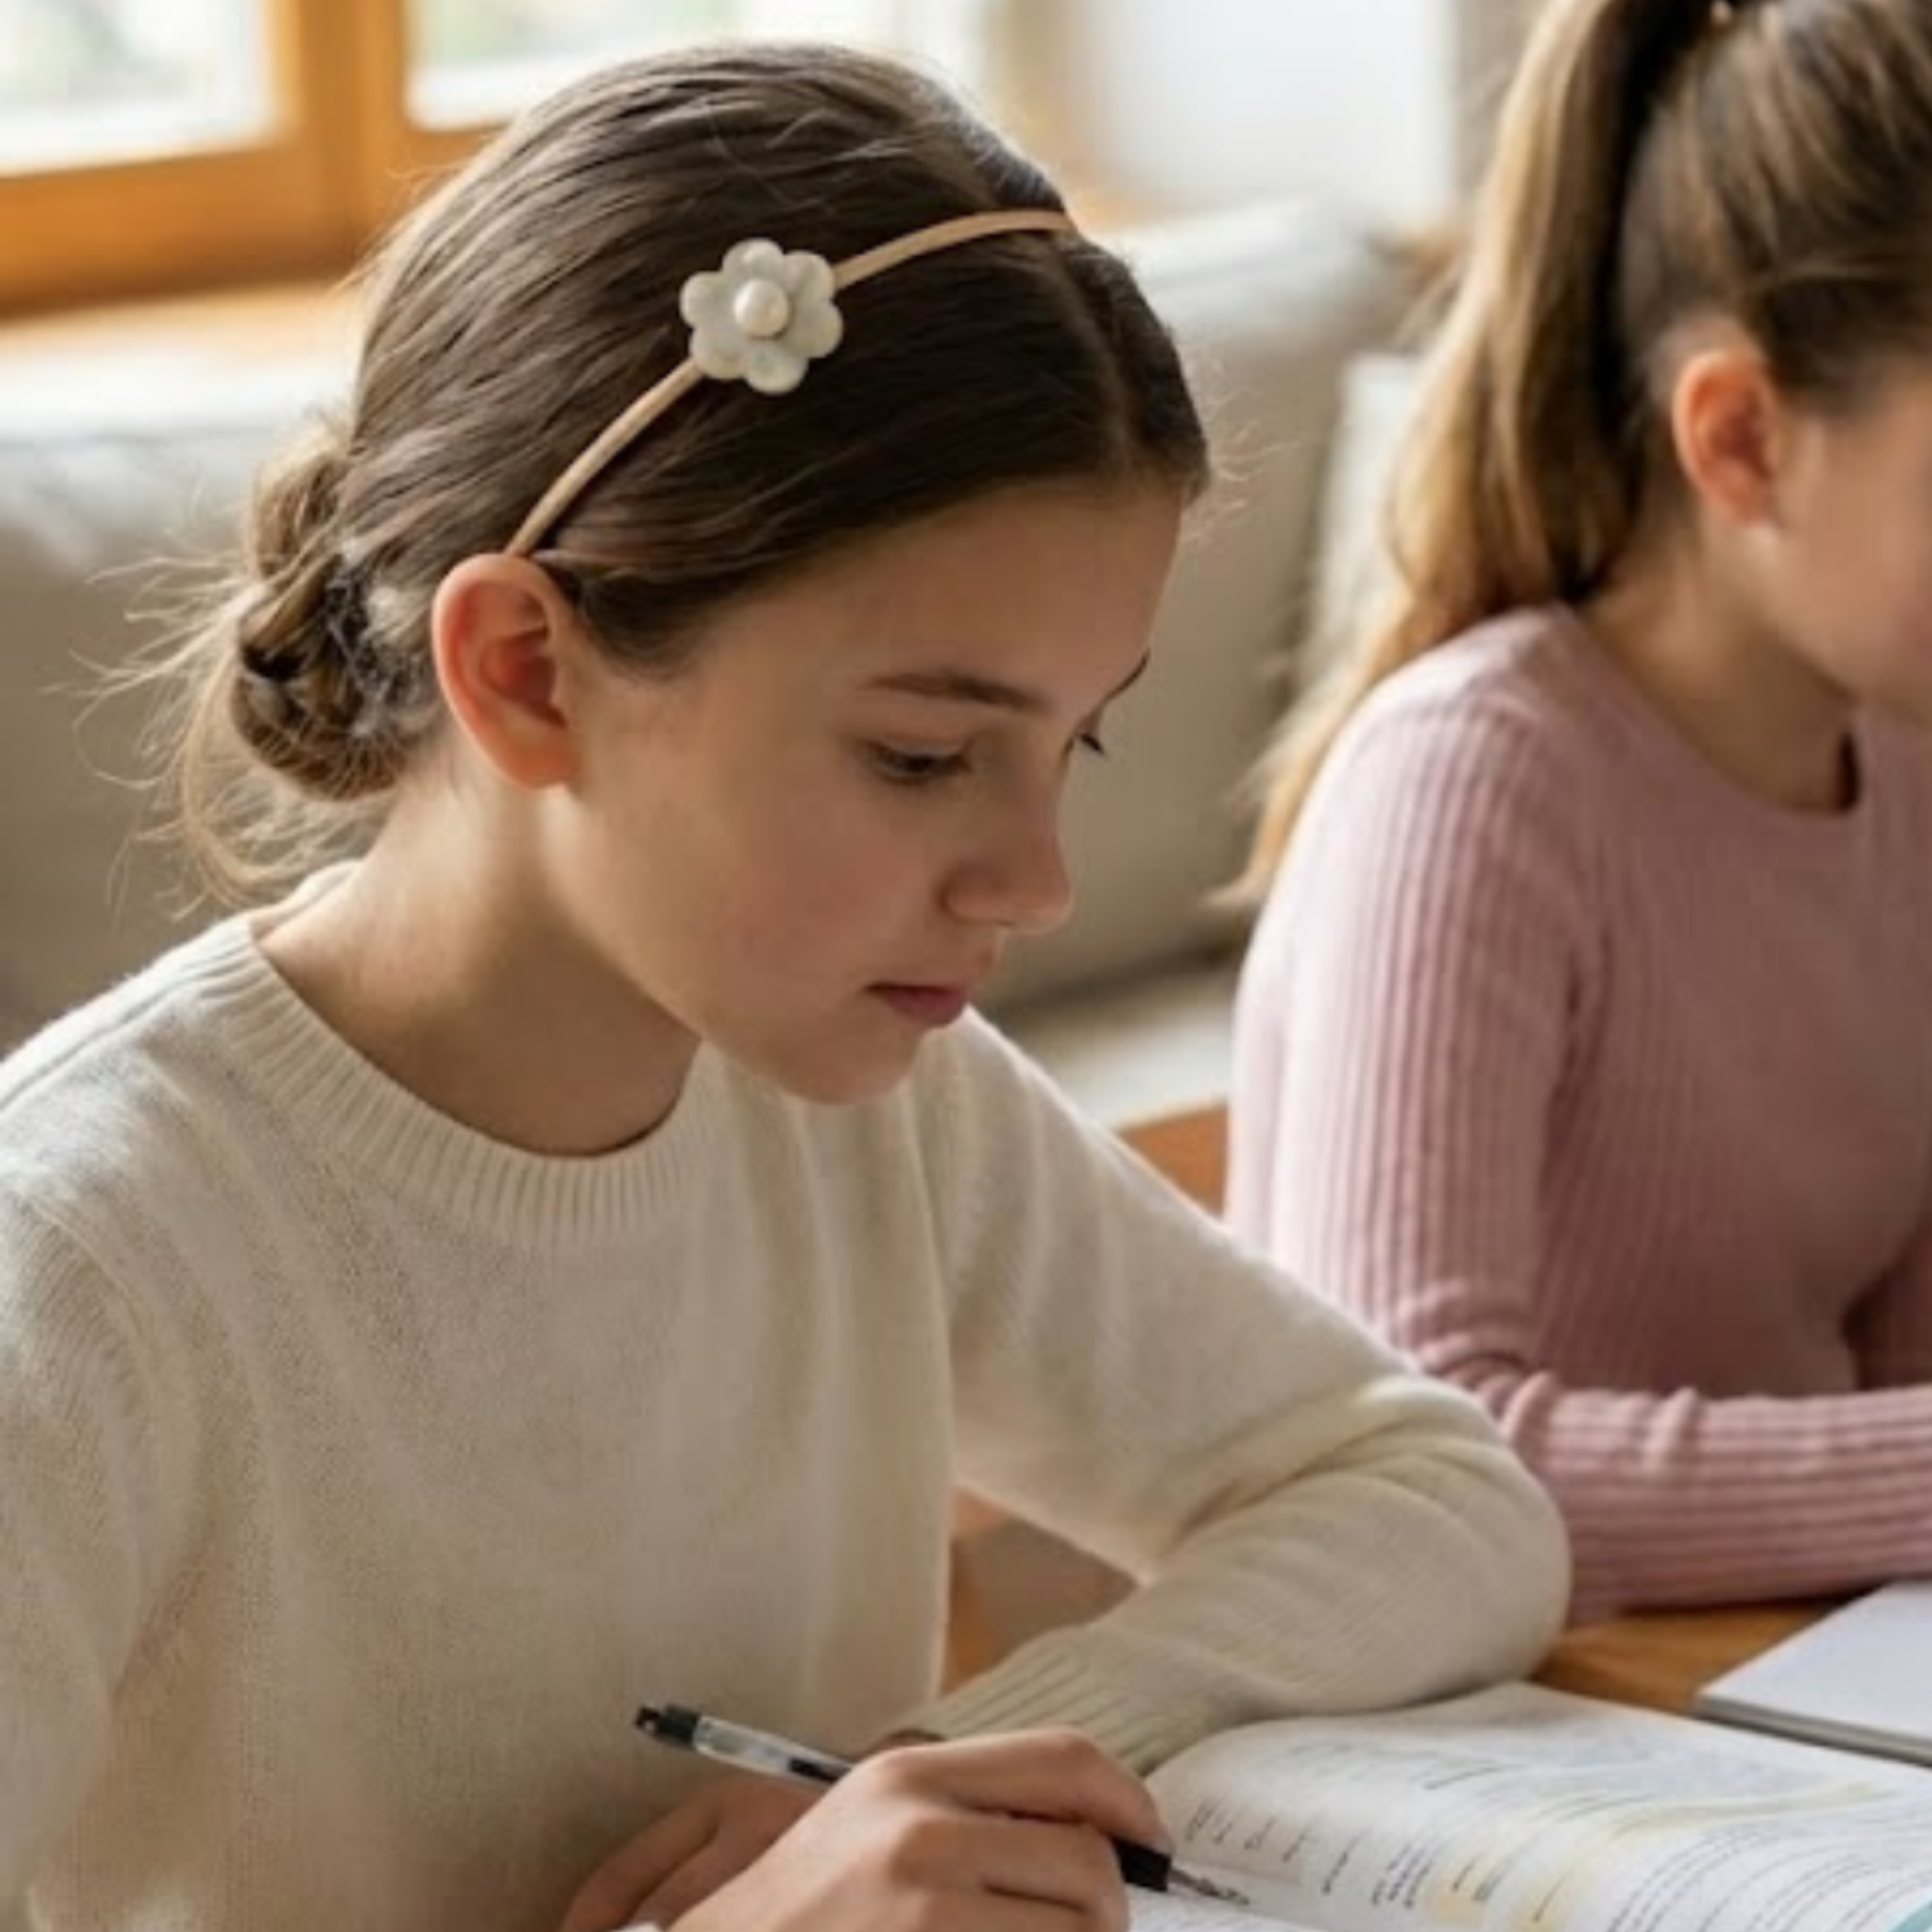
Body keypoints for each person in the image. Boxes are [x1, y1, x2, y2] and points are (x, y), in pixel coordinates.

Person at [0, 40, 1567, 1932]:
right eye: (922, 756)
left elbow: (1435, 1499)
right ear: (524, 668)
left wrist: (940, 1772)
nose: (1036, 881)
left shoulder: (884, 1110)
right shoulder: (84, 1272)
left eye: (1068, 746)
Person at [1228, 0, 1932, 1628]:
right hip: (1477, 1739)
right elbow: (1409, 1472)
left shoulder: (1899, 754)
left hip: (1764, 1693)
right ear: (1740, 438)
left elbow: (1895, 1369)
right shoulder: (1476, 784)